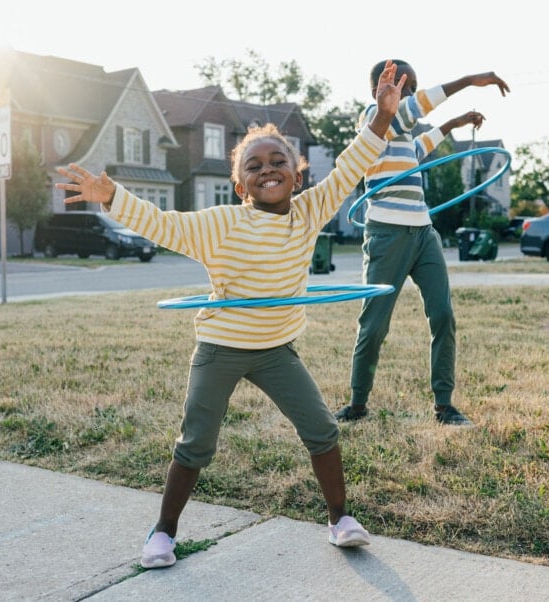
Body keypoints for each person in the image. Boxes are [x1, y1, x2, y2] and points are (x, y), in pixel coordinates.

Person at [55, 61, 405, 569]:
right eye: (254, 165)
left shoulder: (309, 213)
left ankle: (340, 519)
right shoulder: (220, 224)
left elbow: (351, 166)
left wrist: (381, 118)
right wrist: (111, 195)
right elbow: (161, 223)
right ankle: (163, 531)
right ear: (240, 185)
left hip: (276, 349)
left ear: (297, 171)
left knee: (322, 429)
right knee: (196, 442)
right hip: (221, 347)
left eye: (277, 160)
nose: (267, 169)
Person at [334, 60, 510, 427]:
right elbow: (412, 111)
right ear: (378, 91)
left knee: (443, 315)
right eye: (401, 85)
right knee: (375, 325)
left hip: (423, 232)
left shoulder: (402, 140)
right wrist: (467, 80)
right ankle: (357, 403)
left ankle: (444, 405)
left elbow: (423, 144)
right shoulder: (373, 122)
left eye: (413, 86)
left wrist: (457, 122)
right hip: (386, 234)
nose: (409, 93)